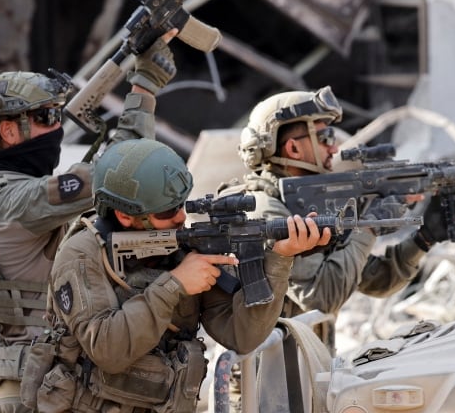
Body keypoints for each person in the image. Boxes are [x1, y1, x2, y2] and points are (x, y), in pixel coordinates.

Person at [0, 32, 178, 413]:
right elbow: (118, 173)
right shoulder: (16, 202)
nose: (57, 127)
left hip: (34, 380)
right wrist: (144, 86)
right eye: (44, 117)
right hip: (39, 386)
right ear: (8, 131)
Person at [37, 137, 331, 412]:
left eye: (181, 205)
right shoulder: (82, 254)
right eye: (166, 212)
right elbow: (108, 350)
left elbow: (242, 336)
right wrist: (175, 285)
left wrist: (280, 258)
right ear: (126, 215)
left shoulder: (181, 245)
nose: (180, 218)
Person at [226, 85, 455, 340]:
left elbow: (374, 279)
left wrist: (424, 239)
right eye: (325, 138)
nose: (333, 149)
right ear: (294, 149)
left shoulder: (302, 202)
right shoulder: (264, 210)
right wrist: (369, 225)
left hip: (305, 368)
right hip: (268, 375)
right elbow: (323, 297)